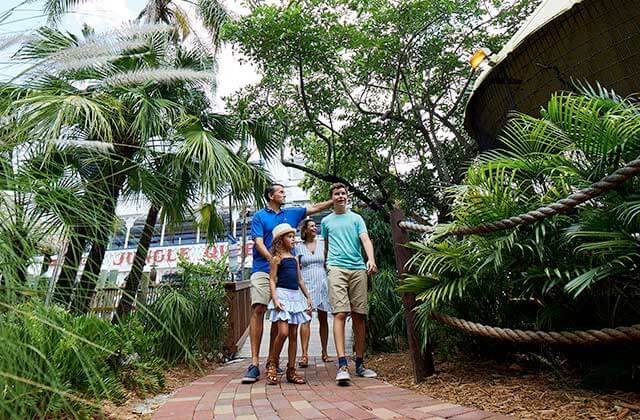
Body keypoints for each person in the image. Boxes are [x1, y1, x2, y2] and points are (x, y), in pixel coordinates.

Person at [242, 183, 333, 383]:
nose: (284, 194)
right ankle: (254, 363)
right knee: (258, 308)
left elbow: (315, 208)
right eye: (281, 191)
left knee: (280, 317)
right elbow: (257, 242)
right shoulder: (259, 216)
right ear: (270, 195)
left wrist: (334, 200)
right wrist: (273, 260)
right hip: (263, 268)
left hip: (286, 274)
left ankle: (272, 362)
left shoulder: (290, 214)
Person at [321, 183, 378, 384]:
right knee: (340, 313)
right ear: (332, 197)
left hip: (357, 268)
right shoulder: (326, 222)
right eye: (337, 194)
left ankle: (360, 363)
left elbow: (366, 240)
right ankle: (342, 364)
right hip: (336, 268)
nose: (341, 196)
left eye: (343, 193)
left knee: (359, 315)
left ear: (347, 197)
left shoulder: (356, 218)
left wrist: (370, 259)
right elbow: (326, 247)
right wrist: (327, 266)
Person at [265, 223, 312, 385]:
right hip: (282, 296)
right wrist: (275, 298)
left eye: (293, 236)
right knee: (283, 332)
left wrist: (308, 297)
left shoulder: (294, 259)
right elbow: (271, 280)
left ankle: (291, 370)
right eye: (290, 237)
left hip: (295, 298)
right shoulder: (276, 259)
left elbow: (299, 280)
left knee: (293, 334)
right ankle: (273, 363)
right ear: (280, 240)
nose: (293, 239)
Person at [295, 218, 332, 367]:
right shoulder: (298, 247)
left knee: (323, 318)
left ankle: (325, 352)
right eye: (311, 226)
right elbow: (296, 267)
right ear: (305, 230)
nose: (314, 228)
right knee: (306, 318)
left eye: (315, 226)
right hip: (306, 284)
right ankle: (304, 354)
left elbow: (327, 261)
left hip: (322, 282)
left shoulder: (323, 244)